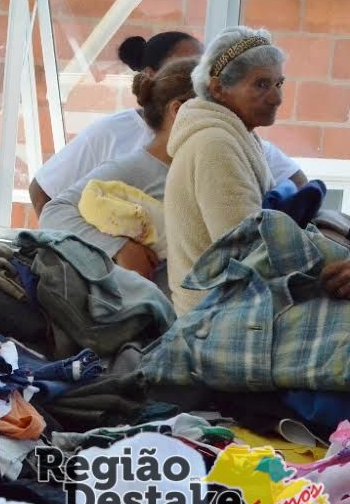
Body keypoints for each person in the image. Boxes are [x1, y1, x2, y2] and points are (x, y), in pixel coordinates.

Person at [29, 31, 304, 215]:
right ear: (154, 76)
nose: (200, 76)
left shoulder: (230, 138)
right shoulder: (114, 137)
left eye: (204, 66)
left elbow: (301, 188)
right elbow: (45, 195)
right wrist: (97, 258)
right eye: (189, 66)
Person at [40, 56, 198, 294]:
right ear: (178, 111)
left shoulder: (203, 172)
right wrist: (120, 247)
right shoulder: (136, 167)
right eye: (217, 116)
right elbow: (54, 213)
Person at [164, 26, 289, 314]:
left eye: (278, 83)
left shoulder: (238, 134)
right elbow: (249, 252)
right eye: (261, 84)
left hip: (232, 304)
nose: (277, 98)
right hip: (214, 320)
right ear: (219, 88)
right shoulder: (215, 144)